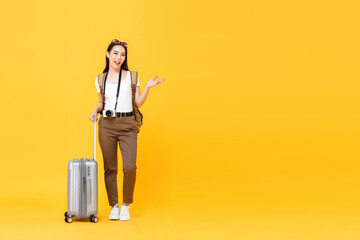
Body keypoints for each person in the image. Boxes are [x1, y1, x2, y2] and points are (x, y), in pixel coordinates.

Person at [89, 38, 165, 221]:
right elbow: (101, 103)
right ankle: (114, 206)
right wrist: (94, 111)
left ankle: (125, 206)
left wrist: (147, 87)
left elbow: (138, 103)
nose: (119, 57)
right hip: (106, 125)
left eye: (122, 54)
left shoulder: (132, 76)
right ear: (108, 54)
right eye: (115, 53)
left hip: (128, 124)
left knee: (130, 167)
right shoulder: (100, 79)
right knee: (110, 168)